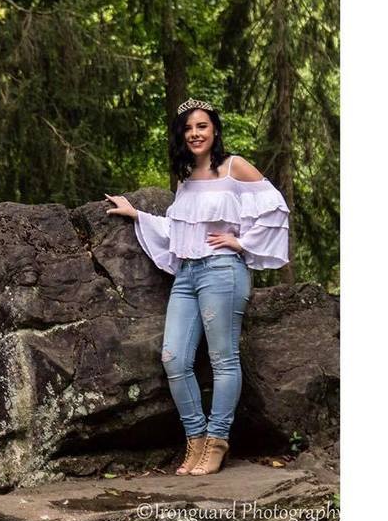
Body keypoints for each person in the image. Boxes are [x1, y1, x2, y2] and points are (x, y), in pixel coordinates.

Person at [104, 98, 289, 476]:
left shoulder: (234, 167)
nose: (195, 133)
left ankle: (217, 441)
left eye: (201, 126)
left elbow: (276, 207)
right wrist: (136, 213)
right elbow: (179, 230)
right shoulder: (185, 178)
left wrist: (242, 242)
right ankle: (196, 440)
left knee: (223, 359)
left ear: (214, 130)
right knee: (173, 358)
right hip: (187, 275)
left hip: (223, 271)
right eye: (188, 128)